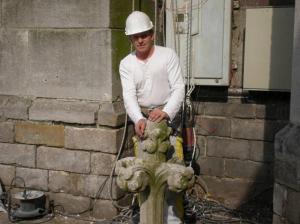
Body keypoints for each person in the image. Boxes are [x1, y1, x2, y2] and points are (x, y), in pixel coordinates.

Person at [119, 11, 185, 224]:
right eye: (135, 36)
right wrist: (138, 118)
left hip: (169, 122)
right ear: (130, 38)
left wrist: (166, 112)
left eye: (144, 34)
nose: (140, 40)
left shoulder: (168, 55)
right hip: (145, 124)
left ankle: (173, 220)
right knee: (145, 177)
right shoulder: (126, 64)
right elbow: (128, 95)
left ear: (152, 34)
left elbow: (178, 88)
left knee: (174, 176)